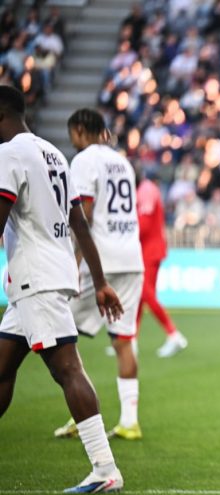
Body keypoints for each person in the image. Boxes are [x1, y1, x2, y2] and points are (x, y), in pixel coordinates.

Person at [0, 86, 125, 493]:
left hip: (36, 277)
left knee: (67, 368)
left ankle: (105, 468)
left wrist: (103, 280)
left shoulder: (9, 155)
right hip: (44, 276)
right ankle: (104, 467)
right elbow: (79, 223)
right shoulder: (53, 153)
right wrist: (100, 282)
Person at [53, 108, 145, 441]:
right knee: (123, 339)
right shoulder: (123, 162)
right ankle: (130, 421)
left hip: (101, 261)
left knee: (62, 334)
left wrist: (76, 260)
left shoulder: (83, 160)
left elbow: (84, 213)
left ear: (79, 129)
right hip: (132, 257)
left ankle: (83, 414)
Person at [137, 173, 188, 357]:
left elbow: (144, 223)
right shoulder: (146, 189)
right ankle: (130, 339)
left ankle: (173, 334)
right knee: (141, 296)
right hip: (149, 249)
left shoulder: (146, 189)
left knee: (145, 293)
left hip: (149, 250)